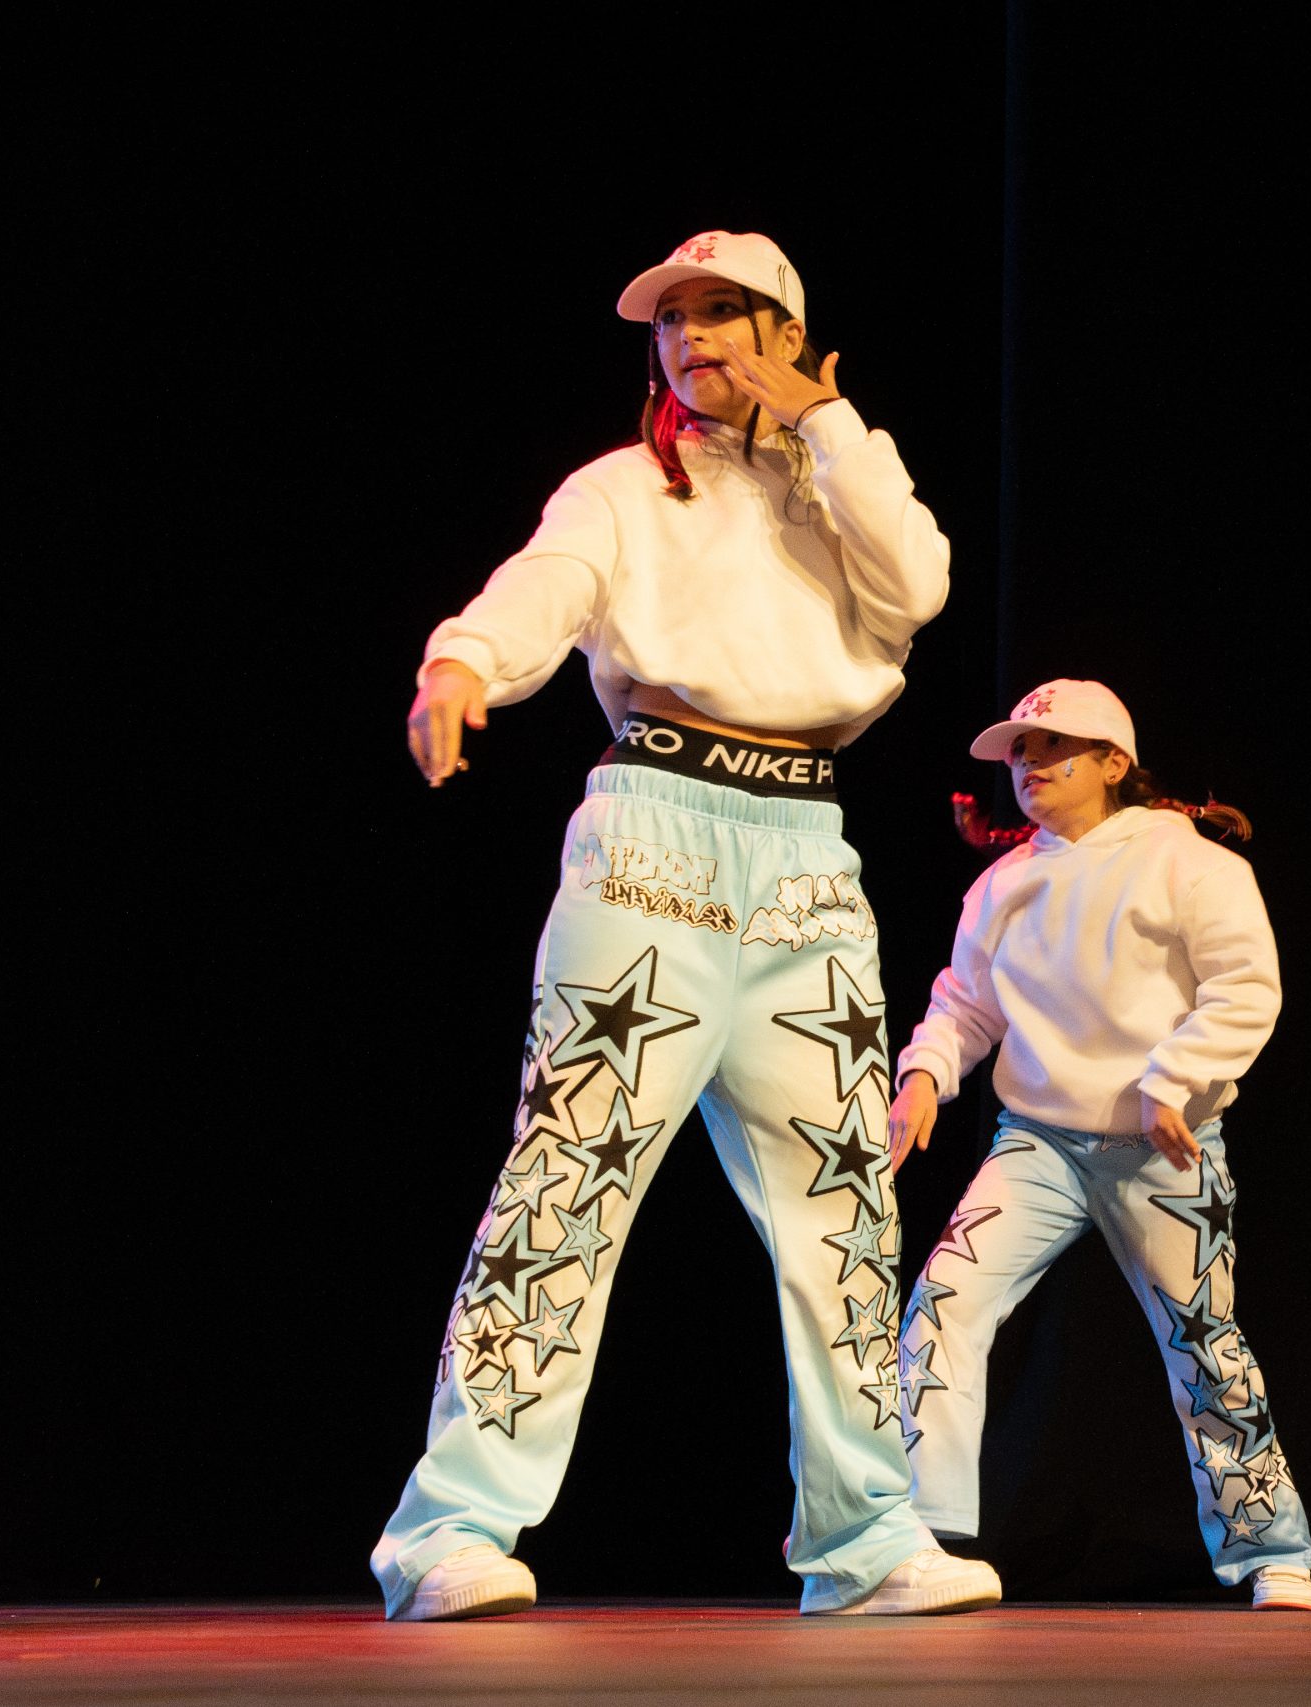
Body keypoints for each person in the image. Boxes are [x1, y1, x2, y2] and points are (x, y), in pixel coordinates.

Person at [372, 231, 999, 1620]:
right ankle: (447, 1527)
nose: (692, 335)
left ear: (788, 335)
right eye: (673, 320)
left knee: (845, 1208)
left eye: (724, 312)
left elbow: (920, 587)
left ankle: (863, 1536)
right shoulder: (621, 488)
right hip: (656, 829)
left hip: (806, 855)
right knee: (569, 1174)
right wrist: (464, 658)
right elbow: (545, 580)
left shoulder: (840, 489)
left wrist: (825, 422)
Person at [884, 680, 1311, 1611]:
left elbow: (1245, 986)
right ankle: (917, 1538)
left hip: (1165, 1149)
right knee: (944, 1301)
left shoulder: (1188, 863)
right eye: (1020, 751)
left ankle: (1272, 1549)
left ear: (1114, 762)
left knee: (1202, 1339)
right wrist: (924, 1072)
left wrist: (1174, 1080)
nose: (1029, 765)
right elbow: (965, 1004)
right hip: (1037, 1144)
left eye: (1052, 747)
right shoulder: (1002, 884)